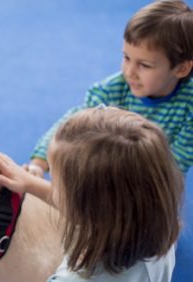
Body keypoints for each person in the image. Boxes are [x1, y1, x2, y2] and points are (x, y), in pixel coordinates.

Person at [0, 107, 183, 282]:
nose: (50, 183)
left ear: (88, 205)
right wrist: (31, 184)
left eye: (54, 179)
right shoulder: (156, 229)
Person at [28, 0, 193, 177]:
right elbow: (69, 129)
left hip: (153, 182)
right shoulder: (110, 91)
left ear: (181, 69)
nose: (129, 72)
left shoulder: (189, 106)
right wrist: (39, 163)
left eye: (144, 65)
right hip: (107, 176)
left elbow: (175, 165)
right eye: (126, 57)